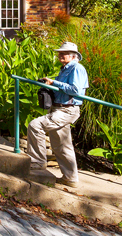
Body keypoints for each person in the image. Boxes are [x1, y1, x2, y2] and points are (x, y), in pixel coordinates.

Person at [27, 41, 89, 187]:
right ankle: (70, 178)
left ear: (74, 56)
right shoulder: (66, 68)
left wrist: (55, 83)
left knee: (35, 125)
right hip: (59, 108)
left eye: (64, 53)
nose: (60, 55)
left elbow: (76, 90)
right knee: (61, 144)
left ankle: (37, 162)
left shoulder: (77, 68)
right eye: (60, 53)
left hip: (67, 109)